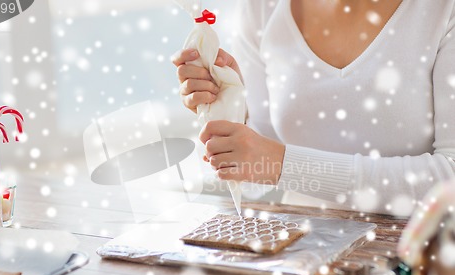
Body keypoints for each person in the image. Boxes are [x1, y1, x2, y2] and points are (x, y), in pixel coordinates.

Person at [172, 0, 455, 216]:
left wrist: (282, 164)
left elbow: (450, 179)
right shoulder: (262, 8)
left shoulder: (443, 10)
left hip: (420, 270)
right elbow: (254, 180)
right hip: (299, 256)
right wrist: (228, 108)